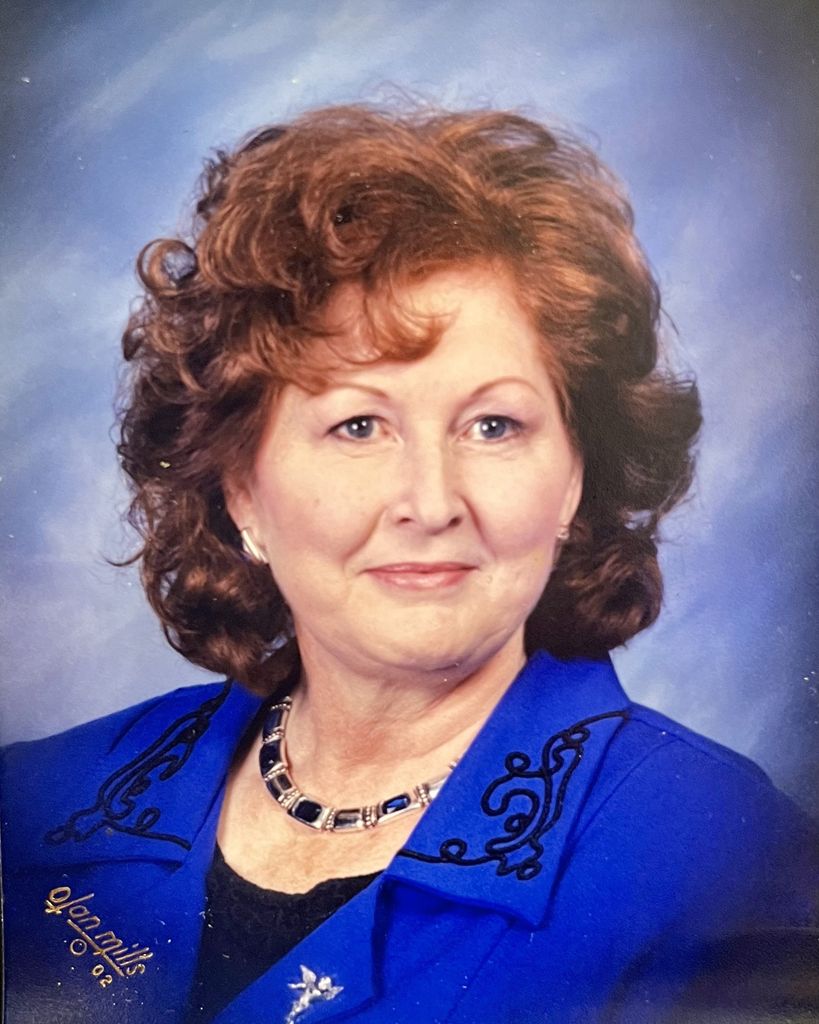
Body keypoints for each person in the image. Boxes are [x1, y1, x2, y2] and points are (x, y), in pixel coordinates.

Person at [1, 103, 816, 1024]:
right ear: (241, 488)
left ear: (573, 480)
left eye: (493, 425)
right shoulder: (37, 800)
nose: (430, 503)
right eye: (358, 425)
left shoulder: (720, 864)